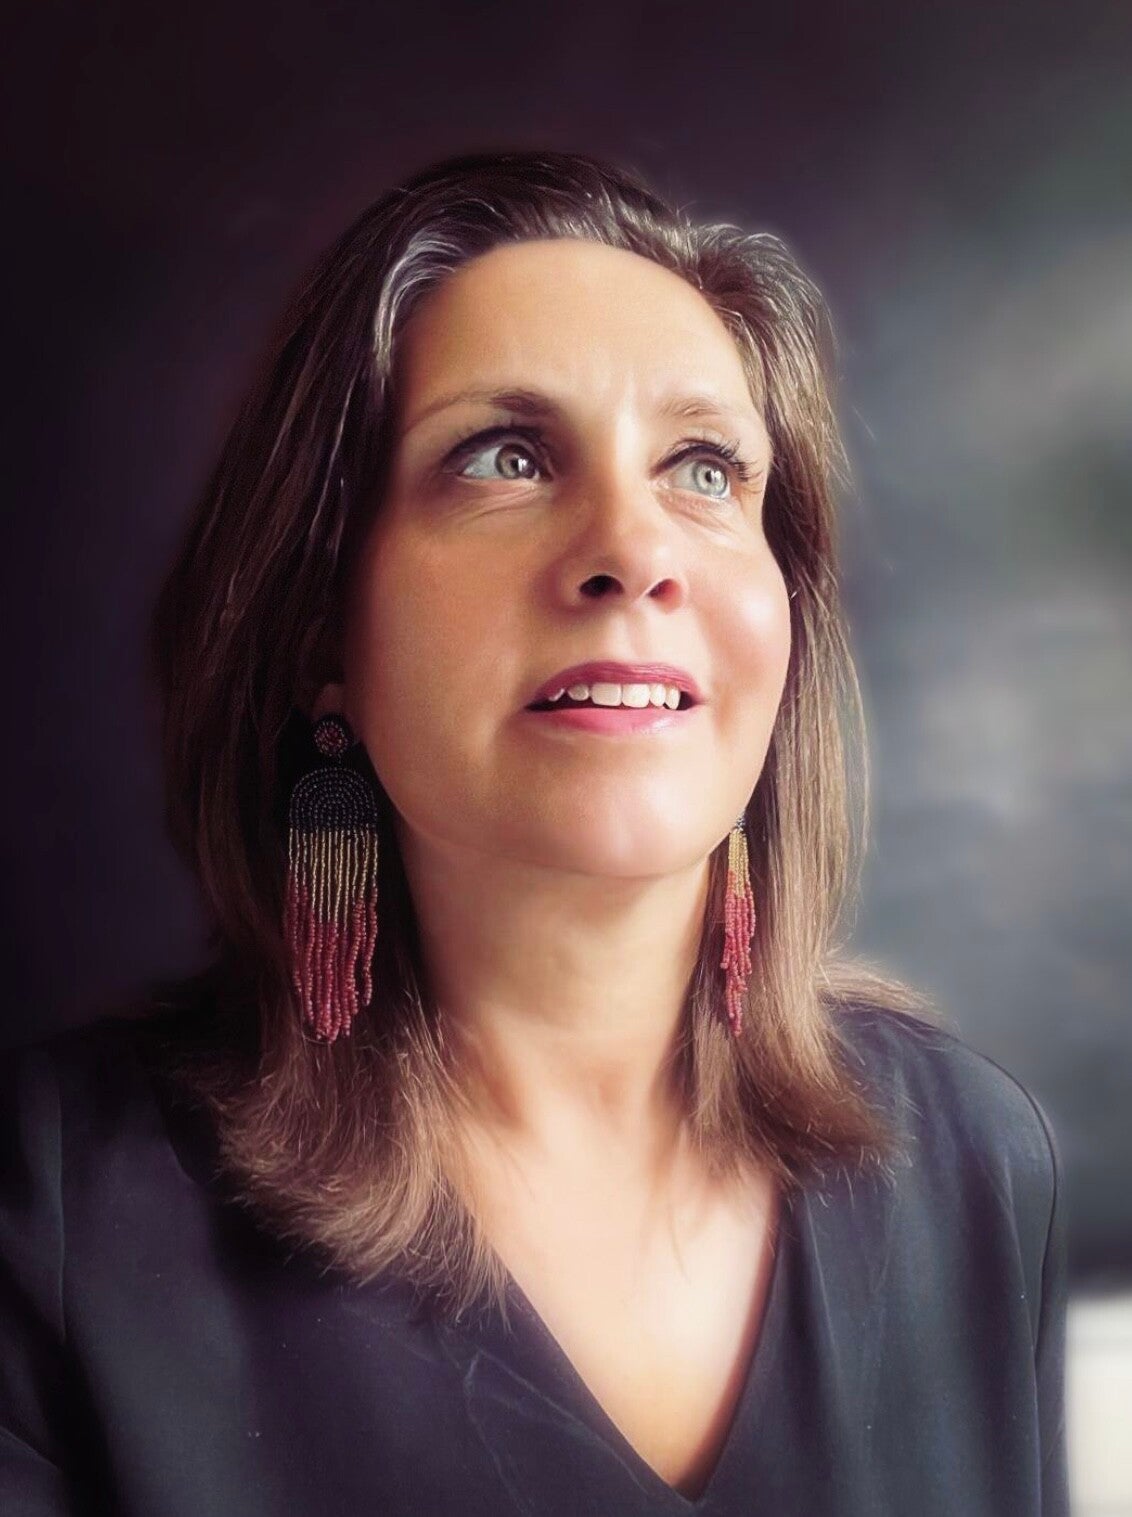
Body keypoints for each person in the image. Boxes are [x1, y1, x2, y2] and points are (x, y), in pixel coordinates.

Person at [0, 148, 1068, 1515]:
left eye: (703, 468)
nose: (635, 549)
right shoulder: (59, 1218)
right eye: (505, 457)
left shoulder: (977, 1164)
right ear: (321, 631)